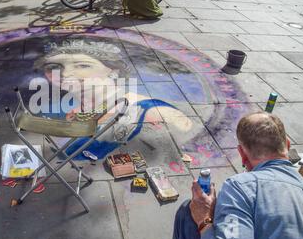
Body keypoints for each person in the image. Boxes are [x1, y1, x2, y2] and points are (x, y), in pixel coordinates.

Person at [34, 39, 193, 160]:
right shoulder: (78, 111)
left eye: (82, 65)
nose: (65, 74)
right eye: (54, 67)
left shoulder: (154, 113)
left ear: (113, 69)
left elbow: (175, 151)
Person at [172, 112, 303, 239]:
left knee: (187, 212)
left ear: (242, 154)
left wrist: (204, 220)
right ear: (288, 145)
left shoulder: (241, 186)